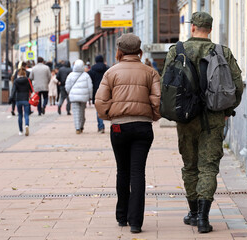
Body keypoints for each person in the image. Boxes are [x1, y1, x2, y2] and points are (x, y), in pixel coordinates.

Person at [161, 12, 243, 234]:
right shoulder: (222, 51)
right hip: (214, 117)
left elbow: (166, 86)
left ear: (193, 28)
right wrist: (227, 110)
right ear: (210, 29)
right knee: (208, 166)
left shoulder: (176, 51)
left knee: (190, 166)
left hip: (186, 119)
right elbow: (237, 85)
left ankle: (193, 212)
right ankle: (204, 219)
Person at [95, 33, 161, 234]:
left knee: (122, 170)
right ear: (140, 51)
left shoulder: (111, 72)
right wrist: (153, 116)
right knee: (137, 172)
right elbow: (158, 100)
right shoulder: (150, 73)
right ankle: (136, 223)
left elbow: (100, 101)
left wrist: (109, 116)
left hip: (119, 127)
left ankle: (122, 216)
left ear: (119, 51)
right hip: (142, 127)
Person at [65, 60, 93, 134]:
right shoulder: (86, 75)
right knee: (82, 112)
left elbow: (67, 86)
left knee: (76, 112)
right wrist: (90, 96)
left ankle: (77, 127)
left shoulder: (70, 75)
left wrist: (69, 93)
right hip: (83, 97)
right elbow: (90, 87)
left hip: (74, 97)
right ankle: (81, 125)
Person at [9, 62, 32, 136]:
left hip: (18, 99)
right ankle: (27, 125)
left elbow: (13, 90)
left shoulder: (16, 81)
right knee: (26, 114)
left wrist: (11, 98)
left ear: (19, 74)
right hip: (26, 99)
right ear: (25, 73)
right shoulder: (28, 80)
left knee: (20, 115)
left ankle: (20, 131)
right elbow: (31, 90)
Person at [88, 55, 109, 133]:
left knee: (98, 110)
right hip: (107, 91)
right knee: (110, 109)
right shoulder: (107, 69)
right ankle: (114, 126)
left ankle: (101, 127)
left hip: (96, 92)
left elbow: (89, 82)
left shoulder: (92, 70)